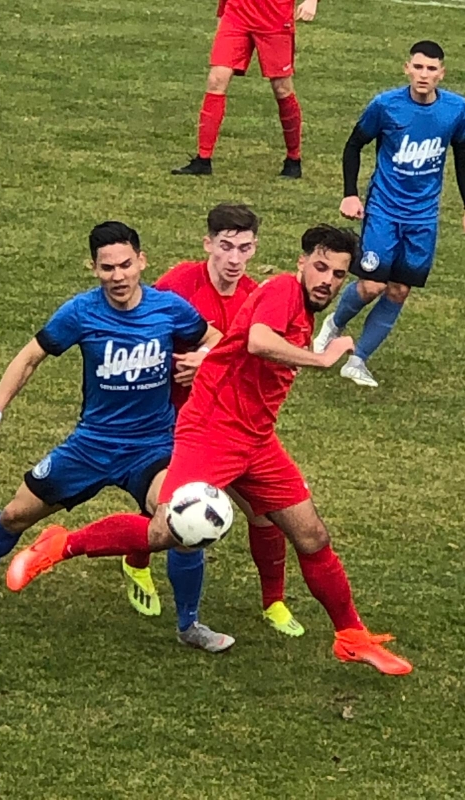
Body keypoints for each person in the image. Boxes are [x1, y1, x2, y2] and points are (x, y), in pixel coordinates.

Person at [6, 225, 413, 675]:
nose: (327, 281)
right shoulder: (282, 290)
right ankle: (61, 544)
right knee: (165, 531)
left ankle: (351, 637)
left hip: (256, 439)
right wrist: (319, 358)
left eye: (337, 275)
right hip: (211, 432)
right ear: (301, 263)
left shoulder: (303, 306)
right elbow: (258, 340)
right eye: (320, 267)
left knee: (312, 535)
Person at [0, 220, 227, 654]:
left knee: (181, 522)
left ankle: (189, 625)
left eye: (125, 265)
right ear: (93, 268)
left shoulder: (169, 308)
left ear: (142, 262)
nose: (118, 276)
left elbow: (216, 338)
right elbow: (29, 357)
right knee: (14, 516)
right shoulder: (81, 312)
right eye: (107, 268)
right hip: (91, 446)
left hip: (152, 447)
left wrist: (204, 358)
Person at [123, 203, 306, 641]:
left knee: (264, 515)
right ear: (208, 244)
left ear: (255, 248)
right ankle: (137, 561)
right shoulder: (180, 282)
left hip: (233, 430)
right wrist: (174, 363)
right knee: (171, 511)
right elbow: (144, 331)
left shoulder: (258, 297)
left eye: (244, 248)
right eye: (225, 246)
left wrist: (207, 363)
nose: (234, 258)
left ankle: (274, 601)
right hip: (175, 422)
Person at [314, 40, 465, 387]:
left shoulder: (456, 110)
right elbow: (354, 145)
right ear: (407, 68)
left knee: (399, 290)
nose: (423, 74)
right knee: (371, 285)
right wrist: (350, 194)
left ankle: (358, 361)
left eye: (431, 69)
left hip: (423, 218)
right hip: (384, 210)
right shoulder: (386, 106)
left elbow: (462, 157)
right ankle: (334, 324)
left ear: (441, 73)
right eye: (418, 67)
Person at [171, 0, 319, 179]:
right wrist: (222, 12)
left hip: (275, 18)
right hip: (237, 13)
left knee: (281, 88)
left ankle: (293, 158)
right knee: (216, 79)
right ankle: (203, 159)